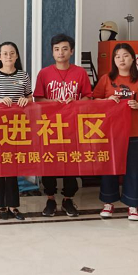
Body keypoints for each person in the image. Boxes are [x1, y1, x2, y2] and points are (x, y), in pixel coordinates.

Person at [93, 42, 138, 221]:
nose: (121, 60)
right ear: (113, 60)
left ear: (133, 58)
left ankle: (133, 205)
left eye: (125, 56)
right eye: (117, 56)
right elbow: (94, 100)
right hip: (110, 133)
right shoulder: (107, 79)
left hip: (133, 132)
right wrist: (107, 100)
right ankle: (108, 203)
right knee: (109, 168)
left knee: (133, 170)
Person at [33, 33, 92, 217]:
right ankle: (50, 198)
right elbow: (38, 98)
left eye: (65, 49)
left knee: (71, 163)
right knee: (49, 162)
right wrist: (53, 102)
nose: (61, 53)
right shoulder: (44, 73)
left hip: (73, 126)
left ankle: (68, 199)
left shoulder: (80, 73)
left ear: (71, 51)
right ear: (52, 52)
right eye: (57, 49)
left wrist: (75, 103)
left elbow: (88, 97)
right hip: (49, 127)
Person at [0, 41, 32, 220]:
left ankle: (13, 205)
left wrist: (26, 100)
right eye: (5, 53)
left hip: (18, 126)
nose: (8, 56)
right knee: (0, 166)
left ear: (17, 56)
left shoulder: (23, 75)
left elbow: (30, 96)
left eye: (12, 53)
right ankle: (1, 205)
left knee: (13, 166)